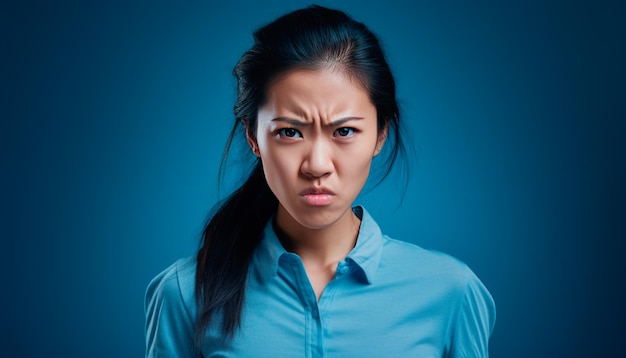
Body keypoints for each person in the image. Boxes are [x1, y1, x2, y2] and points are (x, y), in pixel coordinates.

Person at [145, 4, 495, 357]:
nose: (316, 165)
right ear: (253, 137)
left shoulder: (450, 293)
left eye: (344, 131)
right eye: (289, 132)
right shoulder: (185, 294)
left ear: (380, 134)